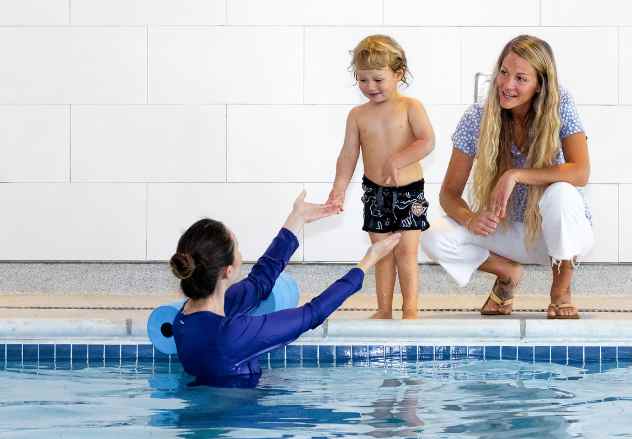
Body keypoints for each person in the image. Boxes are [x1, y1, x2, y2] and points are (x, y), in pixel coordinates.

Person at [421, 35, 593, 319]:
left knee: (562, 192)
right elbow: (448, 194)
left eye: (521, 78)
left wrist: (515, 174)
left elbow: (580, 171)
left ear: (540, 84)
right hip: (511, 233)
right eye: (503, 72)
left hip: (561, 231)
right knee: (432, 235)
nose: (507, 85)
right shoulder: (477, 117)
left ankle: (560, 291)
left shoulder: (560, 105)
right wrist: (470, 218)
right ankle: (507, 274)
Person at [169, 191, 401, 387]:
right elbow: (311, 314)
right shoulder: (231, 333)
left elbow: (260, 280)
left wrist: (297, 218)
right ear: (228, 271)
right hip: (236, 417)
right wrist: (367, 262)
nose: (241, 253)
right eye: (238, 248)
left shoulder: (184, 318)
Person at [327, 34, 435, 320]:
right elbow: (348, 156)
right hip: (375, 193)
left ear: (398, 74)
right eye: (363, 80)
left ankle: (410, 307)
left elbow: (427, 141)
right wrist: (338, 189)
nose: (370, 87)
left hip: (409, 192)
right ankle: (384, 309)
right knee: (381, 253)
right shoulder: (357, 115)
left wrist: (398, 159)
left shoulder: (411, 107)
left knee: (406, 253)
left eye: (377, 79)